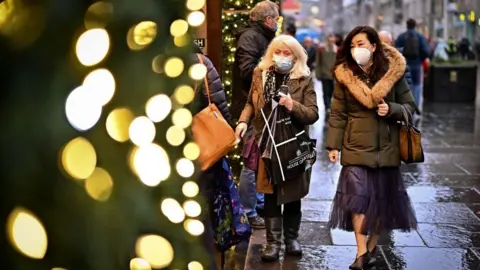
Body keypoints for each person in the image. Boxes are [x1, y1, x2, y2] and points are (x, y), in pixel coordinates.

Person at [326, 26, 418, 269]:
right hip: (355, 147)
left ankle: (372, 247)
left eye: (362, 44)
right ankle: (361, 253)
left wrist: (392, 110)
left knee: (378, 205)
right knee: (358, 202)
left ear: (374, 46)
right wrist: (332, 145)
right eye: (353, 45)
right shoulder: (345, 75)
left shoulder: (392, 74)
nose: (357, 50)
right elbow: (338, 113)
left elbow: (410, 108)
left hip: (385, 149)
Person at [235, 34, 319, 262]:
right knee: (270, 194)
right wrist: (243, 121)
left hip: (293, 146)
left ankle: (291, 238)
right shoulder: (259, 74)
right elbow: (251, 103)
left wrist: (292, 105)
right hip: (267, 143)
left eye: (286, 53)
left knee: (292, 194)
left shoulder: (303, 79)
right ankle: (273, 243)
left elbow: (313, 114)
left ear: (296, 57)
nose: (281, 57)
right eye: (277, 52)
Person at [232, 0, 280, 229]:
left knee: (260, 159)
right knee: (252, 162)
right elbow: (246, 70)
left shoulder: (261, 36)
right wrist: (272, 67)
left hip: (262, 106)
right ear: (268, 19)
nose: (278, 22)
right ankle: (248, 212)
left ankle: (257, 205)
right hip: (251, 107)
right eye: (277, 18)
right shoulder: (251, 37)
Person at [192, 45, 233, 270]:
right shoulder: (200, 61)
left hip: (169, 149)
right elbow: (219, 103)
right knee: (202, 207)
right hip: (203, 149)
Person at [395, 18, 429, 114]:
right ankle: (416, 106)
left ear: (407, 25)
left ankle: (407, 106)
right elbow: (426, 51)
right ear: (415, 26)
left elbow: (395, 51)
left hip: (404, 65)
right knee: (417, 86)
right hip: (417, 65)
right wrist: (420, 59)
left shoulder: (401, 37)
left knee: (407, 86)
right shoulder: (420, 37)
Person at [316, 33, 338, 113]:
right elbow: (318, 62)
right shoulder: (322, 49)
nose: (331, 41)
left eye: (332, 39)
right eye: (330, 38)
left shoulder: (337, 49)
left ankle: (329, 105)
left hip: (334, 75)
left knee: (332, 91)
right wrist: (318, 74)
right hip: (324, 74)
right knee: (325, 91)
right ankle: (327, 106)